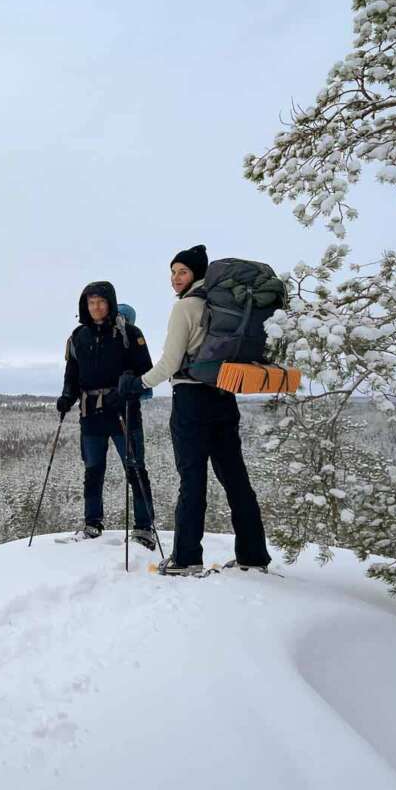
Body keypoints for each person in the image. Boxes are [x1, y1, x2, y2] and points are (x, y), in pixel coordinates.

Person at [118, 245, 273, 575]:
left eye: (182, 272)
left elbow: (171, 362)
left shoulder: (186, 307)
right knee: (236, 479)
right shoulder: (221, 306)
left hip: (190, 399)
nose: (175, 278)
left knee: (192, 480)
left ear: (197, 274)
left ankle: (187, 558)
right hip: (223, 394)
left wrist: (139, 383)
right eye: (173, 272)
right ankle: (253, 555)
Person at [56, 281, 157, 547]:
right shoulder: (78, 337)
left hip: (124, 411)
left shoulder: (129, 333)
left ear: (110, 303)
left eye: (100, 301)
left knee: (135, 469)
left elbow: (146, 372)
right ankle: (92, 524)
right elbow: (73, 374)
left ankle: (144, 527)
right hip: (91, 414)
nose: (96, 307)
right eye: (91, 302)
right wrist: (67, 395)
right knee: (92, 470)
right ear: (85, 305)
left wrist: (127, 387)